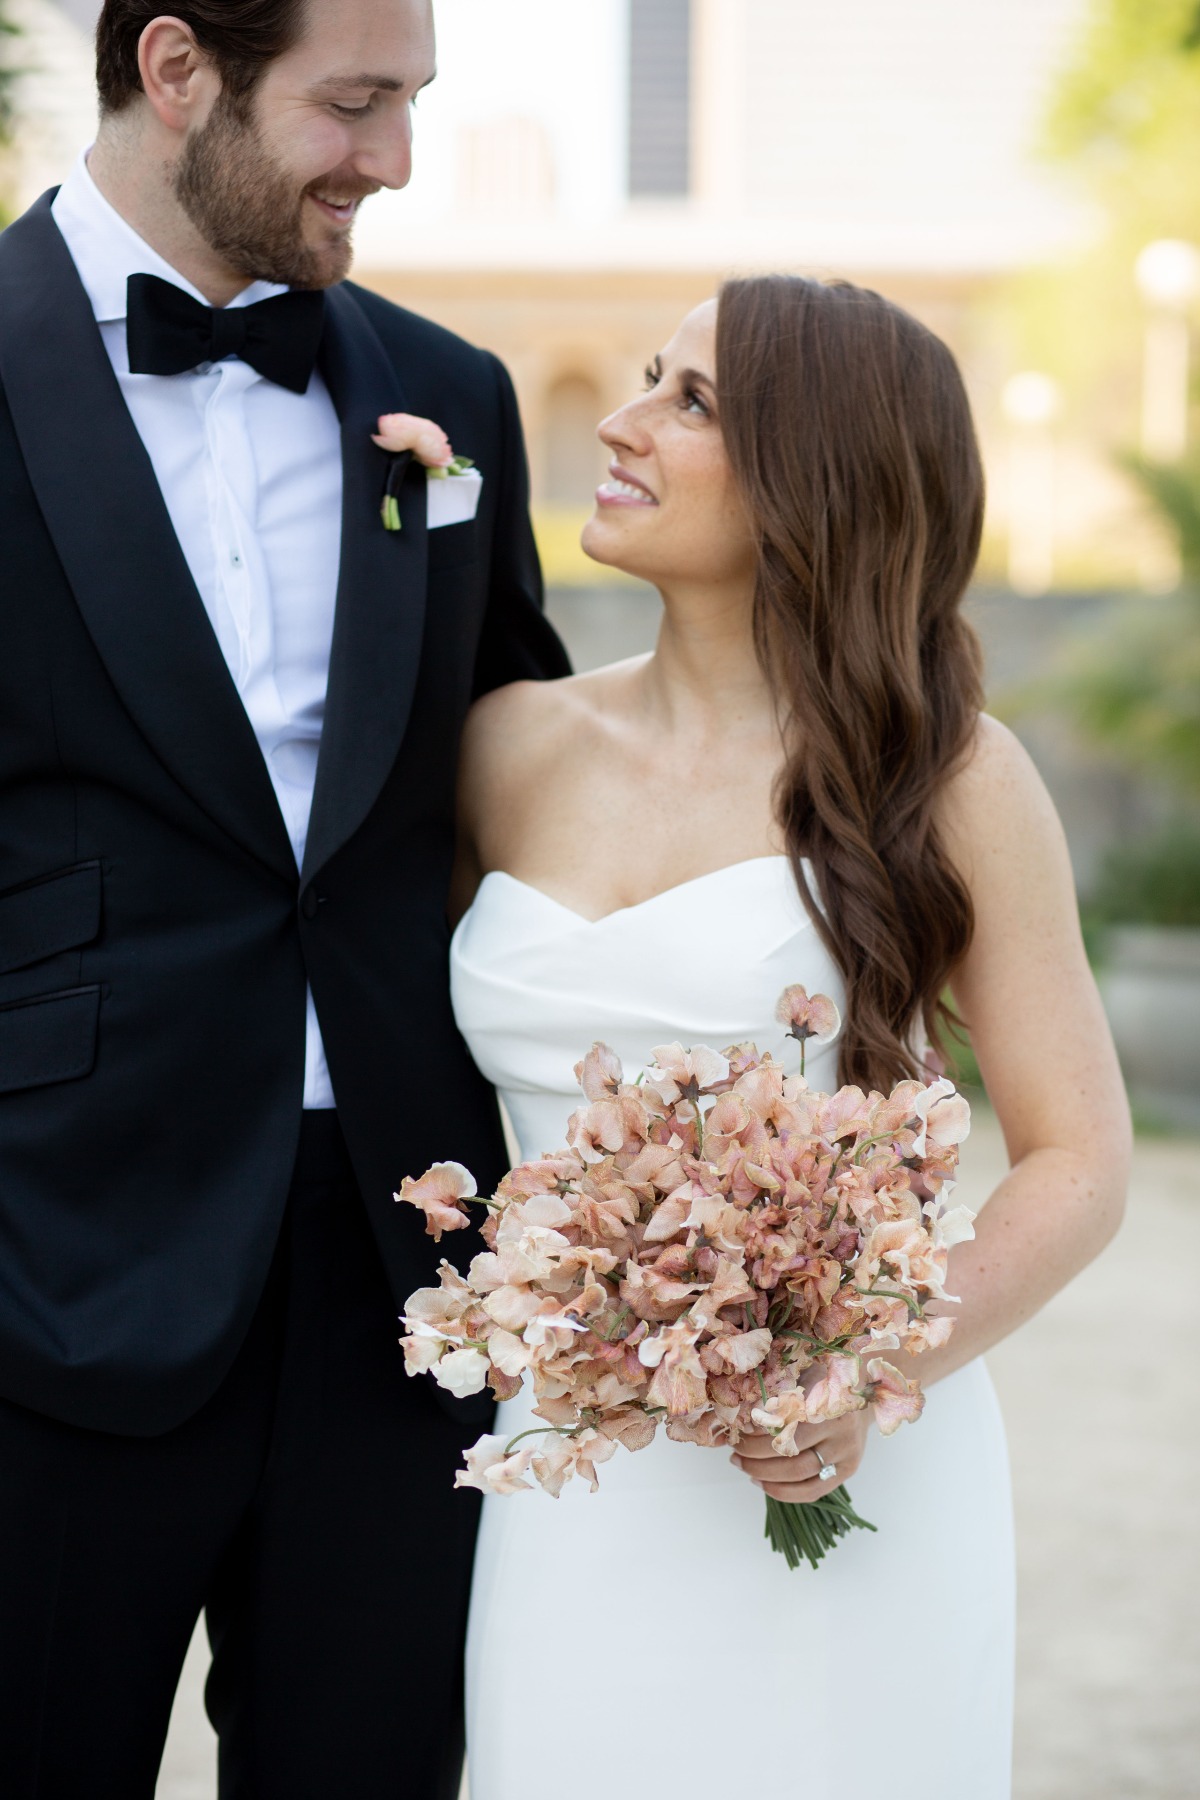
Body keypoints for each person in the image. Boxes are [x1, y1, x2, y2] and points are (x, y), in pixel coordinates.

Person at [451, 277, 1131, 1798]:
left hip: (847, 1468)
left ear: (819, 477)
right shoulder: (504, 746)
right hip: (576, 1463)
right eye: (643, 378)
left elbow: (1082, 1156)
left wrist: (868, 1370)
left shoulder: (949, 776)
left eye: (692, 402)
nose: (620, 425)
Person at [0, 1, 568, 1794]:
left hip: (410, 1276)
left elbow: (524, 773)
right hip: (49, 1262)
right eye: (353, 102)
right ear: (178, 72)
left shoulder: (454, 397)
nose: (392, 158)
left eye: (411, 102)